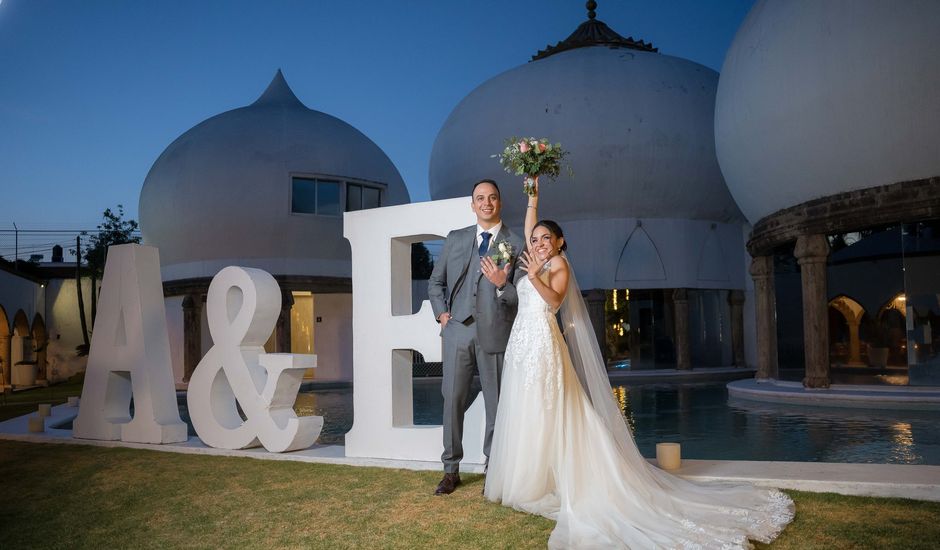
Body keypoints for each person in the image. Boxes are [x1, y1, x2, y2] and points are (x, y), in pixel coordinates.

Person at [484, 178, 794, 548]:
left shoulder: (559, 266)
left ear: (560, 242)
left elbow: (552, 302)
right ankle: (528, 478)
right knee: (526, 410)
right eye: (534, 239)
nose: (537, 243)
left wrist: (533, 277)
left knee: (551, 410)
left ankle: (562, 479)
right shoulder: (536, 257)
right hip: (522, 345)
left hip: (544, 347)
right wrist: (532, 192)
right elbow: (531, 222)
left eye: (545, 238)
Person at [427, 179, 525, 495]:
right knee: (452, 399)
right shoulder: (456, 240)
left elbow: (519, 296)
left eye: (492, 197)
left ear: (500, 202)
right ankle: (450, 470)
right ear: (473, 205)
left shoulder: (513, 241)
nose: (486, 203)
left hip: (496, 332)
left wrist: (501, 284)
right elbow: (435, 284)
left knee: (497, 405)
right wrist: (442, 314)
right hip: (458, 331)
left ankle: (493, 469)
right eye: (480, 198)